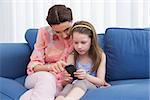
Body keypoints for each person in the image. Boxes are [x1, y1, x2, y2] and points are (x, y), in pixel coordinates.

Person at [20, 5, 74, 100]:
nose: (64, 35)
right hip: (39, 76)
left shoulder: (78, 34)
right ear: (51, 27)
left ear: (72, 21)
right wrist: (50, 67)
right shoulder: (44, 33)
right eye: (58, 32)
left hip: (59, 84)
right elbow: (34, 65)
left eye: (66, 29)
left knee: (28, 97)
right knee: (47, 77)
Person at [55, 21, 111, 100]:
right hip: (74, 85)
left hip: (91, 85)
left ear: (91, 41)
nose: (79, 46)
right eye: (76, 43)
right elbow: (66, 82)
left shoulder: (100, 55)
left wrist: (86, 76)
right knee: (68, 86)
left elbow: (101, 81)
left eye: (83, 42)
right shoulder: (72, 56)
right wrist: (66, 79)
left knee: (82, 81)